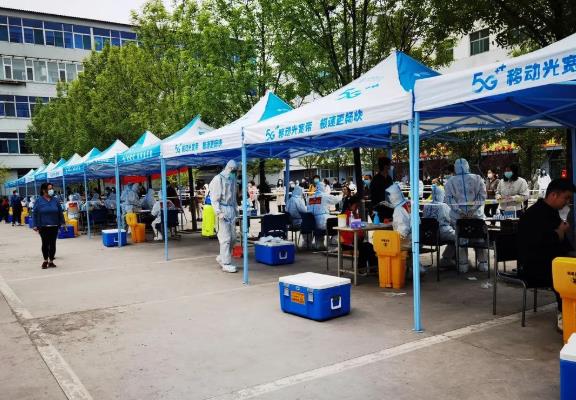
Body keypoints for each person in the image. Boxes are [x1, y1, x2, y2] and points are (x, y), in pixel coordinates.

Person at [517, 178, 575, 331]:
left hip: (550, 260)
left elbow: (560, 244)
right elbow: (540, 244)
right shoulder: (533, 215)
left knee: (568, 267)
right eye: (566, 198)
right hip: (534, 266)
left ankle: (570, 310)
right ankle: (564, 315)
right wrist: (560, 232)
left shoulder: (552, 213)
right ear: (554, 195)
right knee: (566, 274)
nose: (567, 202)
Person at [444, 158, 488, 273]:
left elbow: (449, 198)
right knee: (479, 238)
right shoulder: (477, 178)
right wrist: (473, 209)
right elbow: (482, 196)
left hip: (459, 218)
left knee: (461, 240)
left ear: (455, 168)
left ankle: (463, 266)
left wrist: (459, 211)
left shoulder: (450, 181)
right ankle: (483, 264)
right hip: (476, 216)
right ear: (467, 165)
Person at [208, 160, 239, 273]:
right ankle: (226, 263)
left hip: (231, 209)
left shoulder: (232, 179)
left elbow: (234, 197)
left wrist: (236, 209)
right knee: (225, 239)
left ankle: (222, 257)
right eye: (234, 170)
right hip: (222, 209)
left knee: (233, 238)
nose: (235, 173)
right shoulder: (218, 179)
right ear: (229, 168)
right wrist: (218, 212)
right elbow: (214, 199)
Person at [386, 183, 423, 273]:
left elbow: (403, 231)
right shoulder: (407, 203)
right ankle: (415, 269)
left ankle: (394, 270)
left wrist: (394, 238)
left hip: (408, 241)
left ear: (393, 196)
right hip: (416, 238)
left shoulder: (399, 209)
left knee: (384, 245)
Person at [422, 185, 460, 266]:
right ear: (441, 195)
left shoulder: (426, 205)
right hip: (441, 232)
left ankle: (448, 259)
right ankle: (447, 259)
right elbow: (451, 219)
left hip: (427, 235)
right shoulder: (444, 206)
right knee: (459, 237)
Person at [32, 183, 65, 269]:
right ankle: (45, 260)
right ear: (44, 190)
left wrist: (63, 223)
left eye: (52, 188)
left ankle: (51, 261)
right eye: (49, 189)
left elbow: (60, 212)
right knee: (45, 243)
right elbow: (34, 213)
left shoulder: (56, 200)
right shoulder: (39, 200)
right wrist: (34, 225)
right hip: (43, 226)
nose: (51, 190)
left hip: (54, 225)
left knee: (53, 244)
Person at [340, 195, 377, 270]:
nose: (357, 207)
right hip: (348, 242)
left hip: (355, 240)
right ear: (350, 205)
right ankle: (364, 268)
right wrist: (360, 235)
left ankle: (370, 268)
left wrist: (360, 235)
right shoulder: (346, 215)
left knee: (369, 246)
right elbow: (349, 232)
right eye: (355, 205)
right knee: (366, 247)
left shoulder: (354, 214)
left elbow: (358, 229)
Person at [307, 181, 342, 249]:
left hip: (312, 223)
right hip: (322, 222)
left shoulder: (310, 198)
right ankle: (334, 241)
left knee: (323, 222)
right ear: (323, 187)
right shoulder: (324, 196)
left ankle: (319, 244)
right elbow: (335, 199)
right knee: (339, 221)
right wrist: (341, 195)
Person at [370, 156, 394, 221]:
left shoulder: (389, 178)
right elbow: (373, 197)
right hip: (379, 211)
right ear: (385, 166)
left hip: (390, 210)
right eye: (389, 165)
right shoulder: (375, 180)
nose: (391, 167)